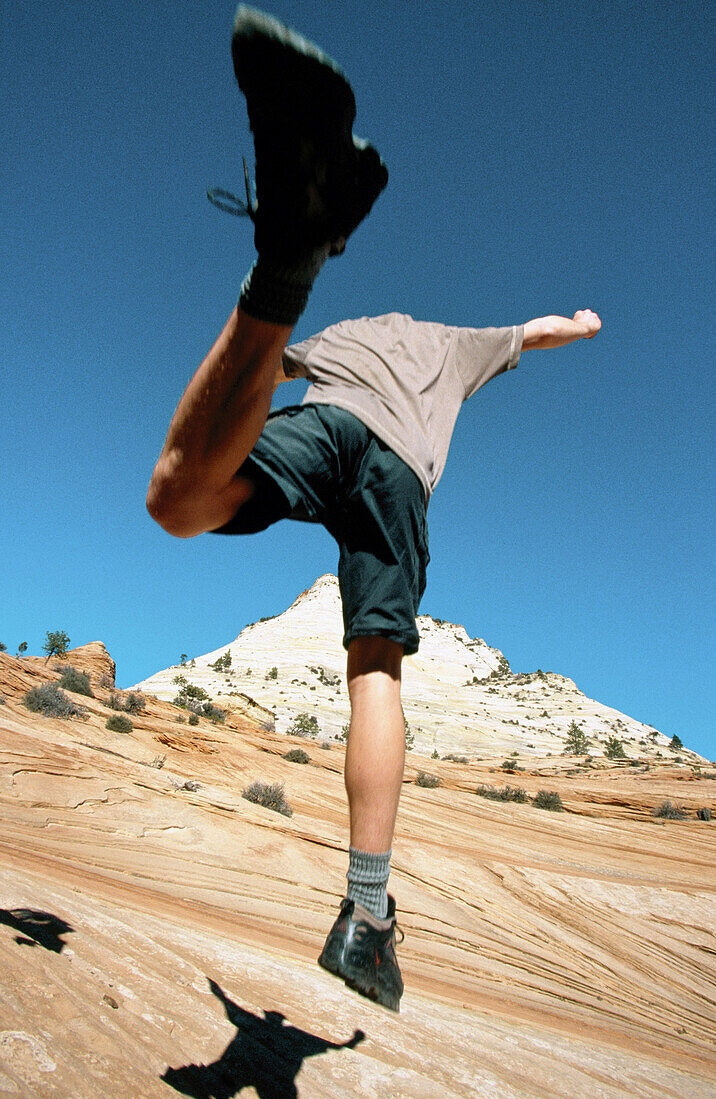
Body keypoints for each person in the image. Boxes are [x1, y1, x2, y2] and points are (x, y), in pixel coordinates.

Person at [147, 5, 601, 1013]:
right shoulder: (455, 339)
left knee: (181, 499)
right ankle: (365, 913)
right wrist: (576, 322)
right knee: (374, 669)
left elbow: (256, 385)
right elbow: (540, 330)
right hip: (399, 470)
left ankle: (286, 261)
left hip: (328, 417)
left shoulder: (347, 334)